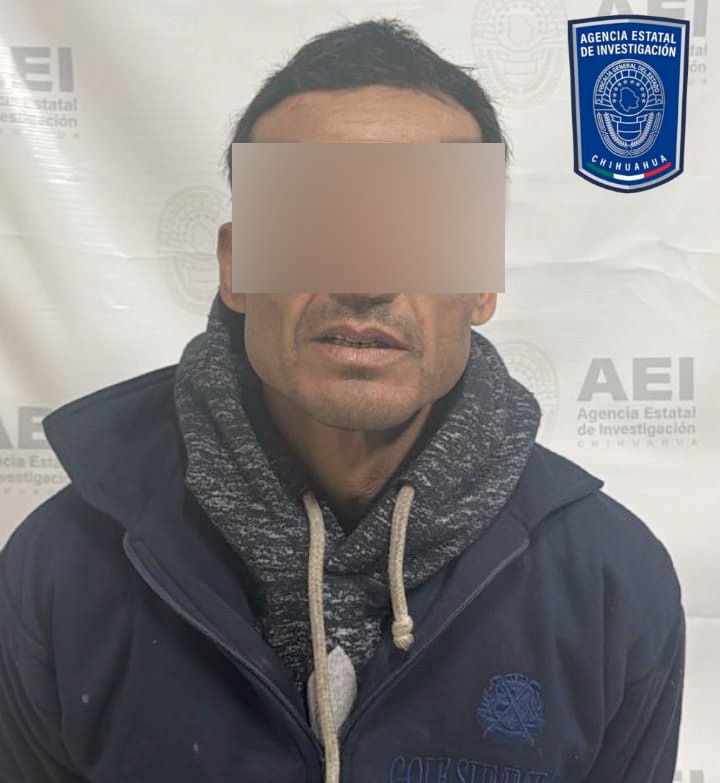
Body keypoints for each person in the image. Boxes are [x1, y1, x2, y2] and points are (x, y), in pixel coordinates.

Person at [0, 17, 684, 783]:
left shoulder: (610, 584)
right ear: (236, 266)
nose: (365, 278)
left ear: (482, 282)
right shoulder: (62, 570)